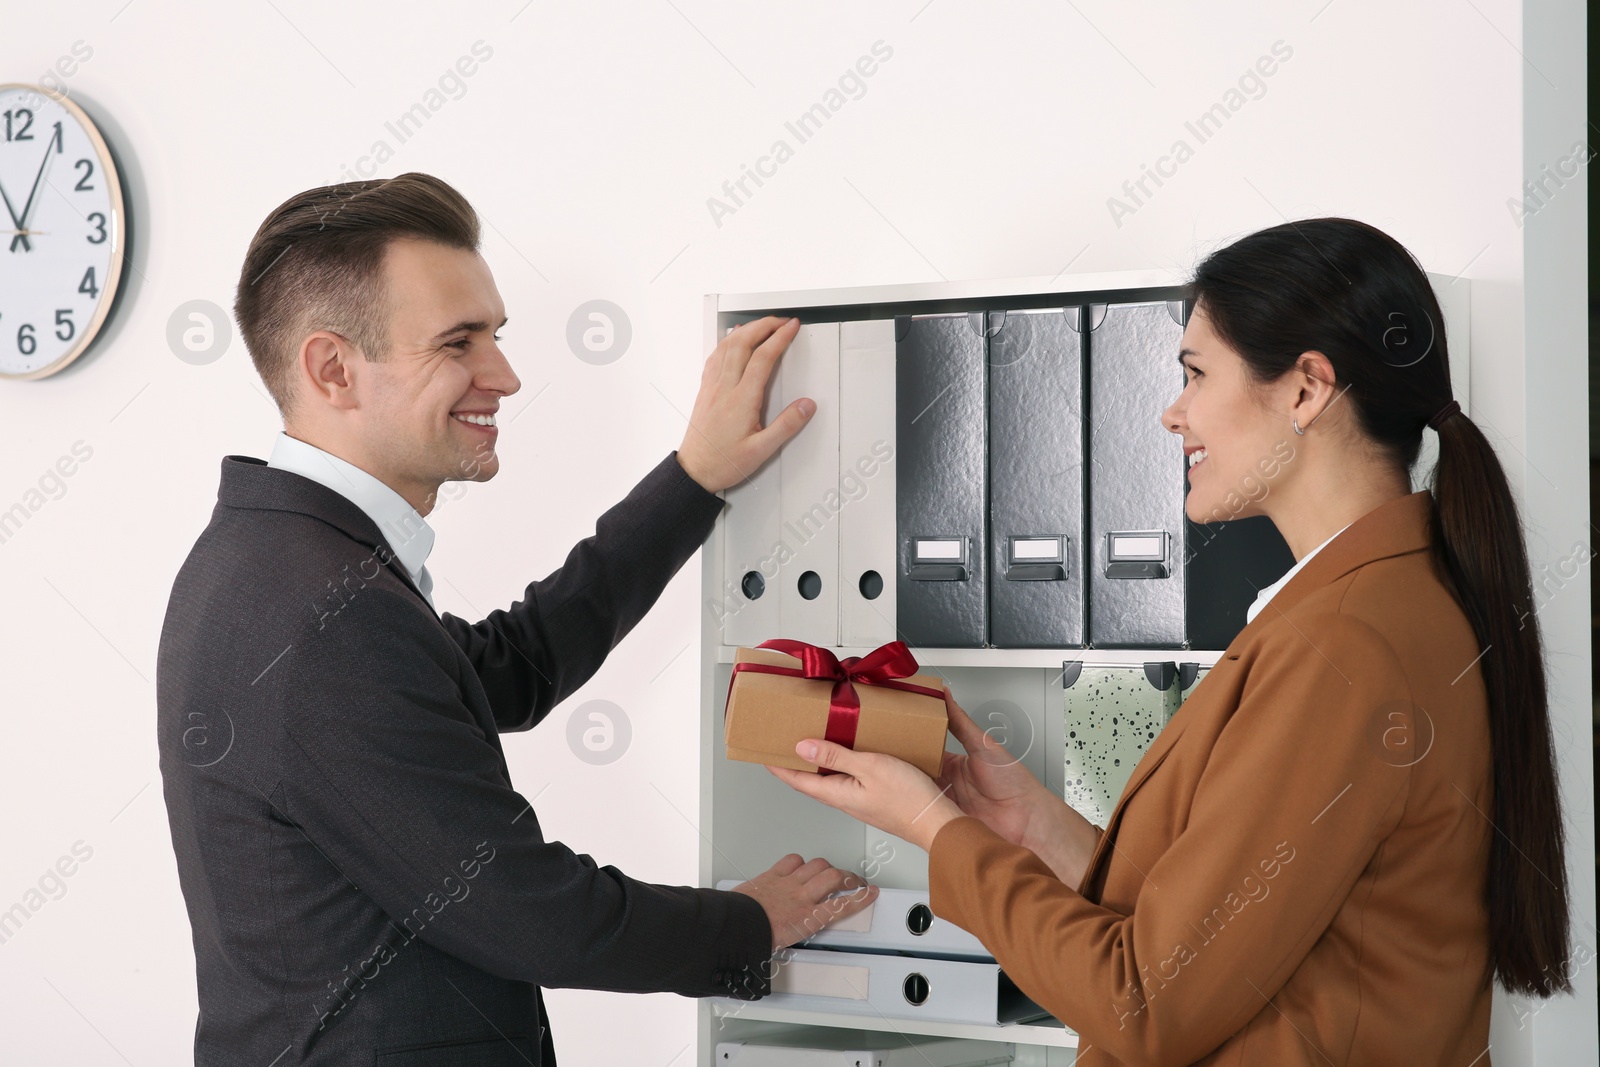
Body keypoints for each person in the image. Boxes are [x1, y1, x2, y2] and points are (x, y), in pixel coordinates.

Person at [770, 218, 1573, 1065]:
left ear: (1307, 391)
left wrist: (937, 829)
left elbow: (1148, 1003)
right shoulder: (1379, 598)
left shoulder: (1342, 647)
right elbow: (1227, 928)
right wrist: (1034, 827)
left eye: (1195, 374)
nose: (1172, 412)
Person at [156, 172, 876, 1067]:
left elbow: (512, 665)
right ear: (332, 368)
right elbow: (525, 911)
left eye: (495, 335)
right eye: (459, 343)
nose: (505, 375)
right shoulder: (320, 611)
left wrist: (694, 480)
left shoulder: (273, 559)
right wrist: (748, 923)